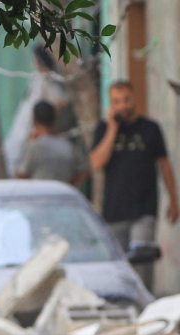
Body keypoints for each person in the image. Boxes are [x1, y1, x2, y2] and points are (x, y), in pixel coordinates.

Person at [90, 80, 179, 290]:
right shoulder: (103, 129)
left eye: (126, 100)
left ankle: (146, 306)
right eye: (117, 102)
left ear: (134, 99)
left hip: (144, 208)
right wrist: (112, 129)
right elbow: (96, 163)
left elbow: (165, 166)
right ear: (111, 105)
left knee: (143, 259)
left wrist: (174, 200)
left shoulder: (150, 128)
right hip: (114, 210)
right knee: (119, 266)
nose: (123, 106)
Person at [17, 100, 89, 186]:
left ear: (34, 120)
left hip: (40, 197)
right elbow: (85, 170)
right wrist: (69, 185)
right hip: (62, 196)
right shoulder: (68, 146)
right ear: (54, 118)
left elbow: (21, 176)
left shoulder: (34, 146)